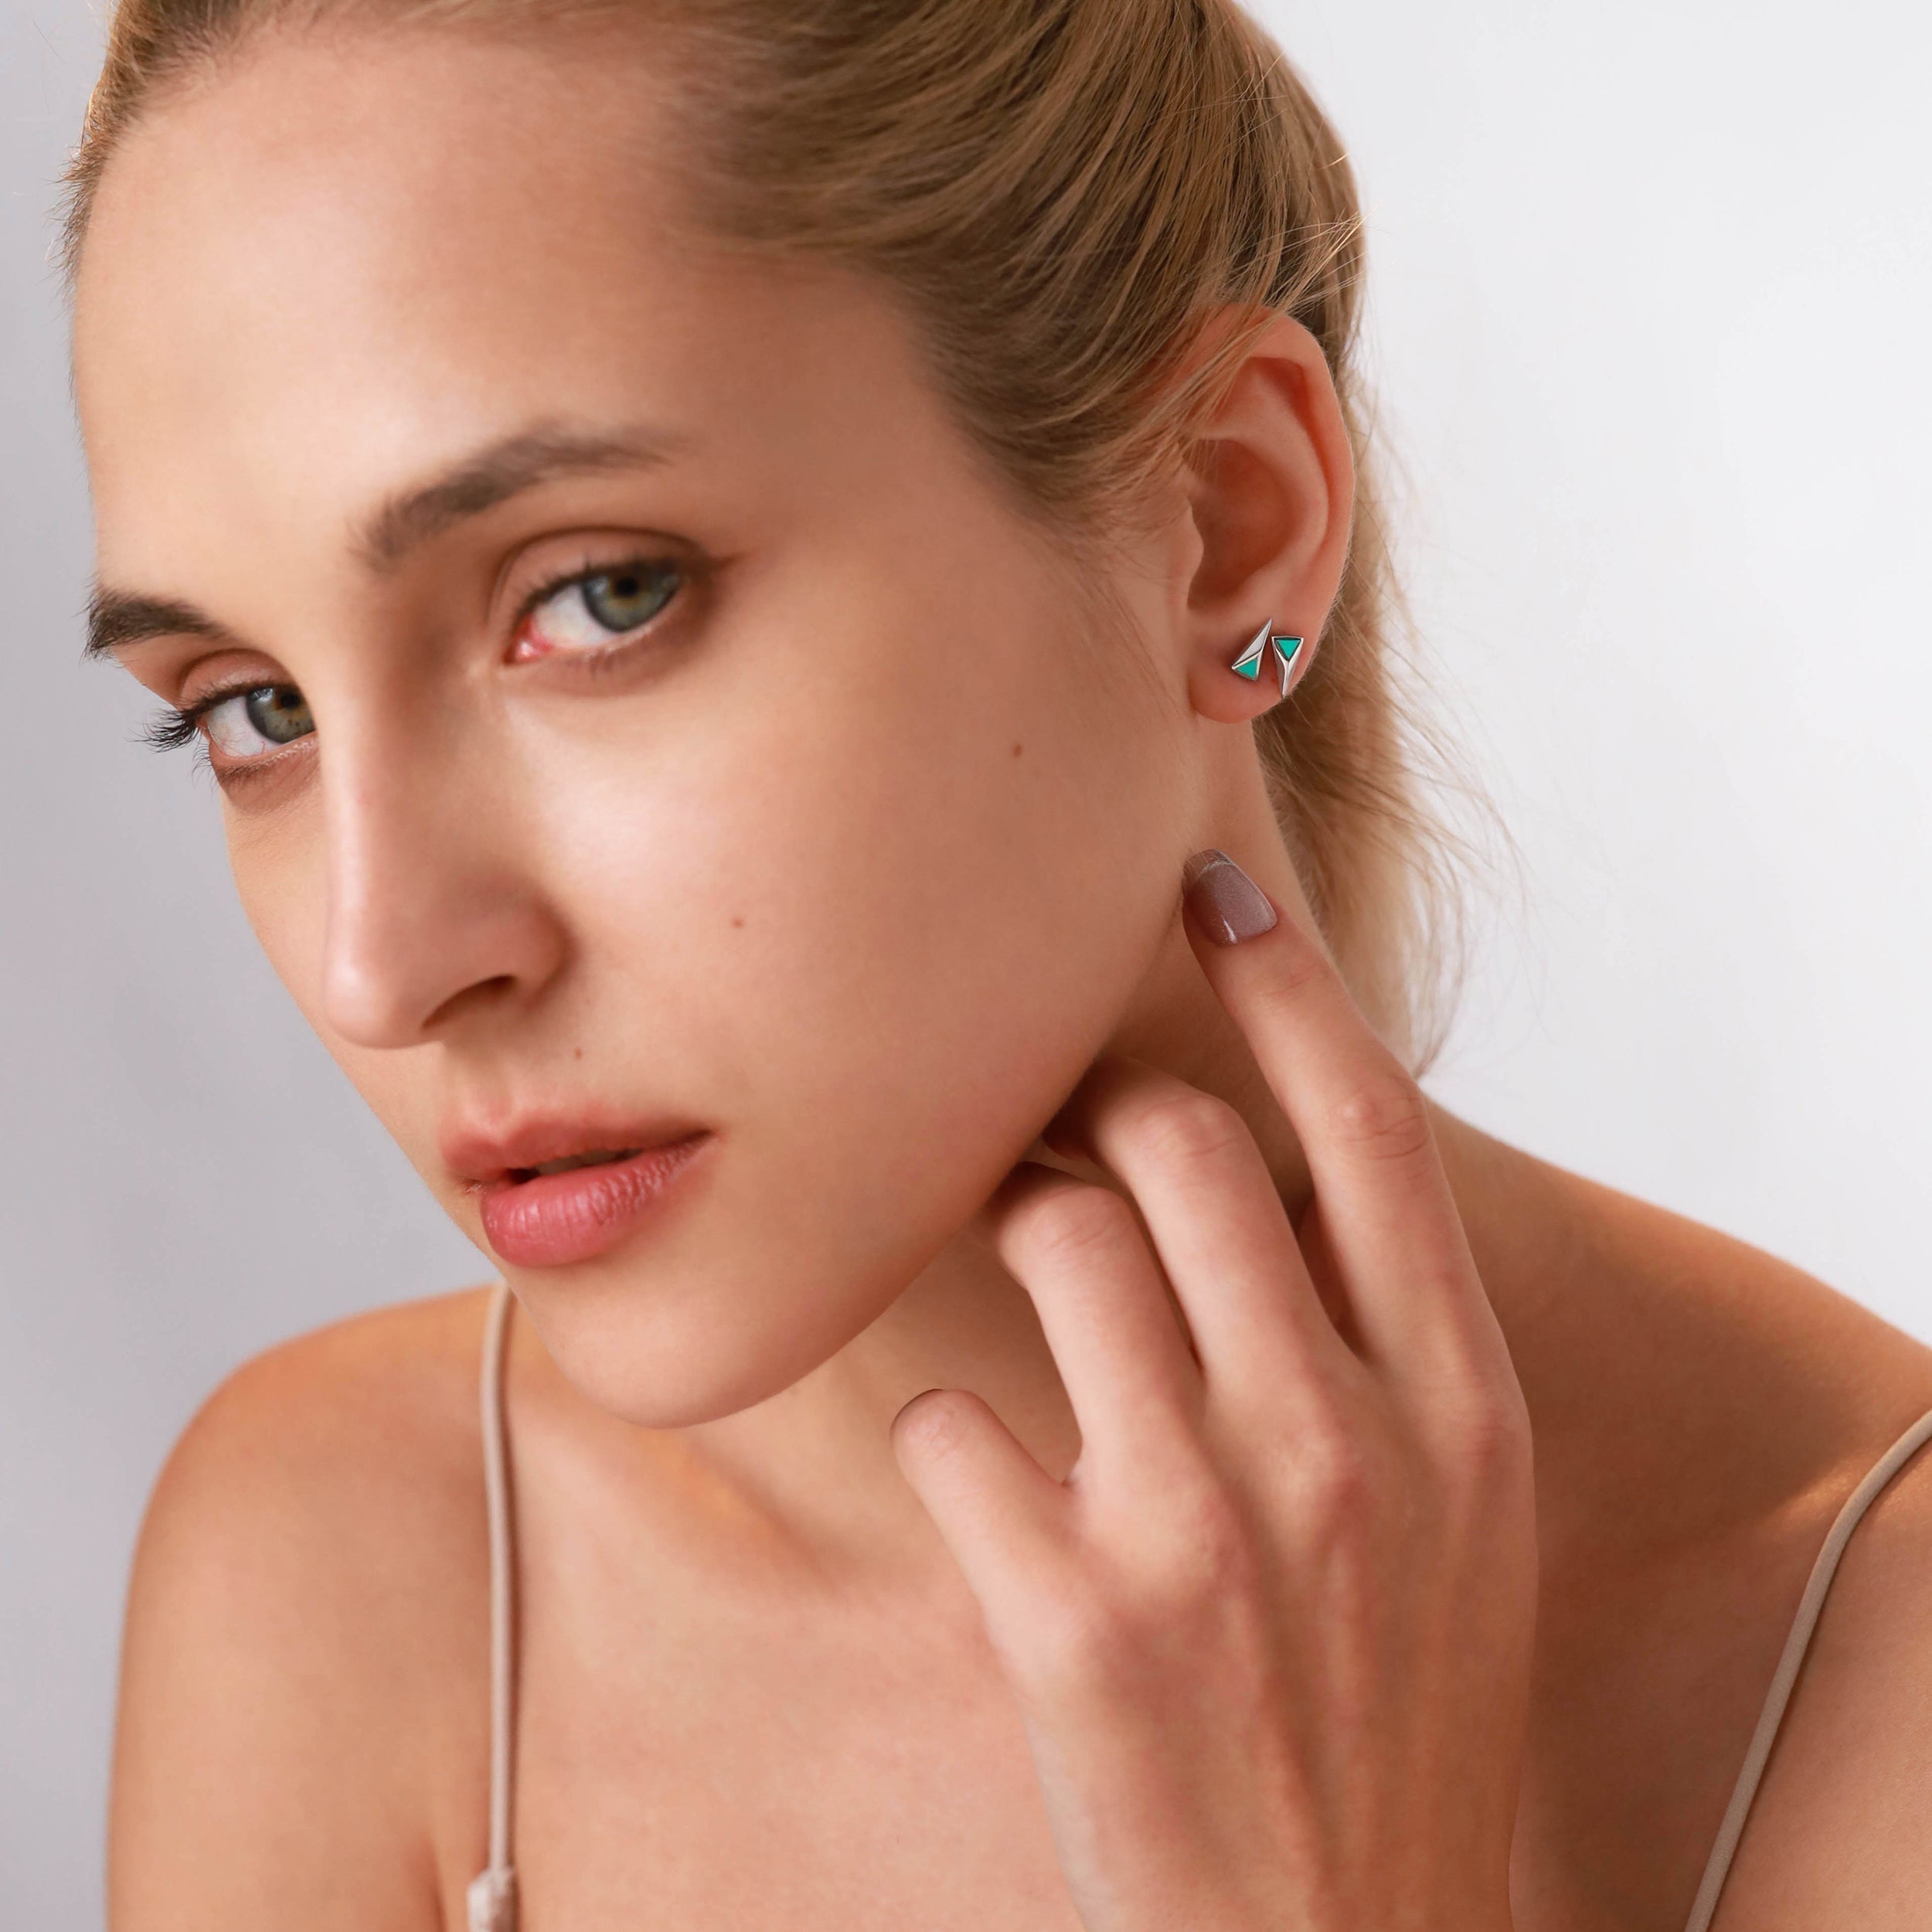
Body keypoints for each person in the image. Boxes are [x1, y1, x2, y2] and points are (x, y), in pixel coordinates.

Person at [64, 1, 1932, 1927]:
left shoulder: (1878, 1663)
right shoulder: (345, 1566)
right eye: (253, 708)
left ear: (1225, 523)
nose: (378, 964)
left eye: (596, 594)